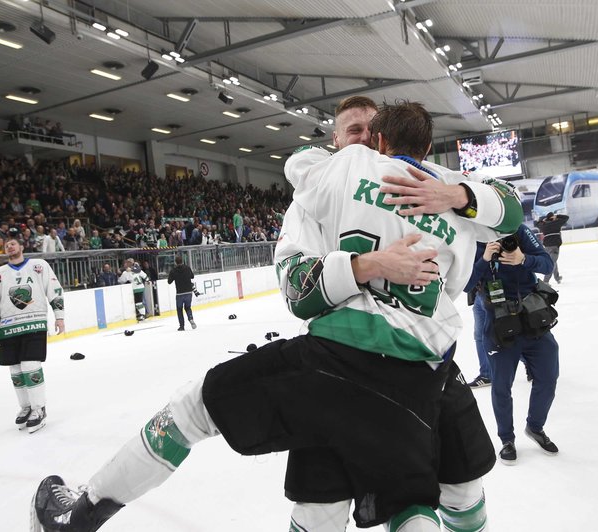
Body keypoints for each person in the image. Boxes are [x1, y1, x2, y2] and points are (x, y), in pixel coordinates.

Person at [30, 101, 522, 531]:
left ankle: (80, 517)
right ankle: (85, 512)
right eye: (353, 131)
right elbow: (299, 293)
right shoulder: (342, 199)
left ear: (382, 137)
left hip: (373, 362)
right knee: (358, 501)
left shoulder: (363, 175)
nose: (363, 139)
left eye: (370, 130)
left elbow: (299, 170)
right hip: (386, 359)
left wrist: (455, 195)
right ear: (341, 138)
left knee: (443, 487)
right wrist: (373, 260)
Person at [464, 225, 559, 465]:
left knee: (548, 377)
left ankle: (535, 427)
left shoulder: (518, 231)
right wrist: (485, 259)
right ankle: (507, 438)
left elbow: (547, 264)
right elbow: (465, 284)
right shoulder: (472, 237)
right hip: (499, 324)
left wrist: (522, 258)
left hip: (532, 319)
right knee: (501, 386)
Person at [0, 237, 65, 434]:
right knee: (16, 371)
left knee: (30, 365)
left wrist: (59, 316)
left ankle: (39, 408)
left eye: (13, 243)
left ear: (22, 246)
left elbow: (54, 290)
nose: (9, 246)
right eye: (6, 245)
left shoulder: (39, 266)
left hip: (34, 322)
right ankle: (26, 407)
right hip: (8, 327)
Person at [534, 211, 569, 284]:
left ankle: (557, 277)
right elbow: (566, 217)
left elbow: (536, 223)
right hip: (555, 246)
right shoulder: (556, 222)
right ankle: (546, 281)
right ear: (553, 217)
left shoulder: (543, 225)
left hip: (547, 246)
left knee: (552, 261)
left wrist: (543, 220)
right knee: (552, 263)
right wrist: (557, 216)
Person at [167, 255, 195, 331]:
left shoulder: (173, 270)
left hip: (180, 293)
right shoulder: (187, 268)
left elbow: (169, 282)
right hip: (189, 292)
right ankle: (190, 318)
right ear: (182, 261)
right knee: (188, 307)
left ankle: (182, 326)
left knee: (179, 310)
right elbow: (192, 276)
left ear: (175, 262)